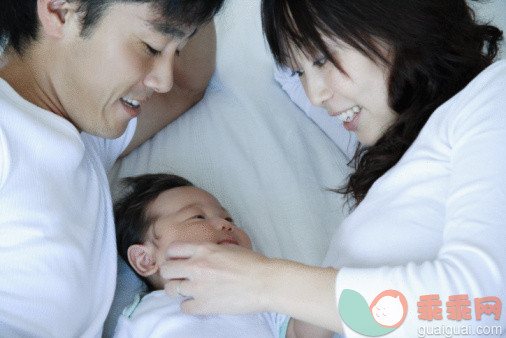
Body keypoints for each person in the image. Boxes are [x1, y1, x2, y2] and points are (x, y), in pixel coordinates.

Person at [158, 0, 506, 336]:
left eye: (322, 59)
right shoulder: (389, 144)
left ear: (393, 18)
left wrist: (263, 282)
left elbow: (481, 310)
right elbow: (284, 75)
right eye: (301, 70)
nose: (315, 95)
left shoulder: (491, 96)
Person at [0, 0, 223, 336]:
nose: (163, 78)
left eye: (176, 51)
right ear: (61, 11)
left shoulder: (85, 132)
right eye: (151, 46)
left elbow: (186, 85)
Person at [112, 173, 332, 338]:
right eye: (197, 217)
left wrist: (325, 285)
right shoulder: (144, 314)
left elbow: (303, 331)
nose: (224, 224)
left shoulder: (258, 294)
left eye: (229, 219)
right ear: (146, 260)